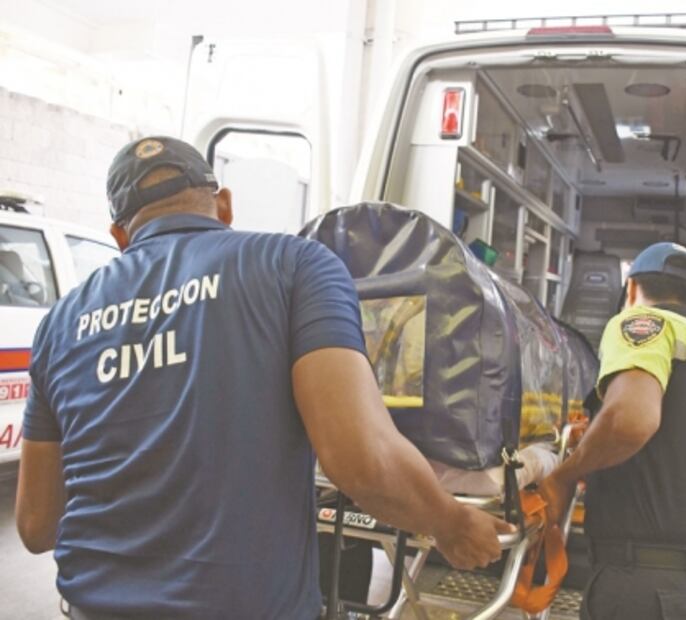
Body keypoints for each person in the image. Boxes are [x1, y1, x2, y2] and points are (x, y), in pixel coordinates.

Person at [15, 136, 512, 619]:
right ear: (224, 205)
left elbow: (36, 526)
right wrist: (451, 523)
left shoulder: (59, 323)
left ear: (119, 235)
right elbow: (362, 460)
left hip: (92, 606)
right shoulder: (293, 265)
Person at [539, 242, 686, 619]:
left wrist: (564, 475)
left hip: (646, 589)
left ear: (633, 289)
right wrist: (598, 440)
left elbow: (630, 421)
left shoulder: (643, 322)